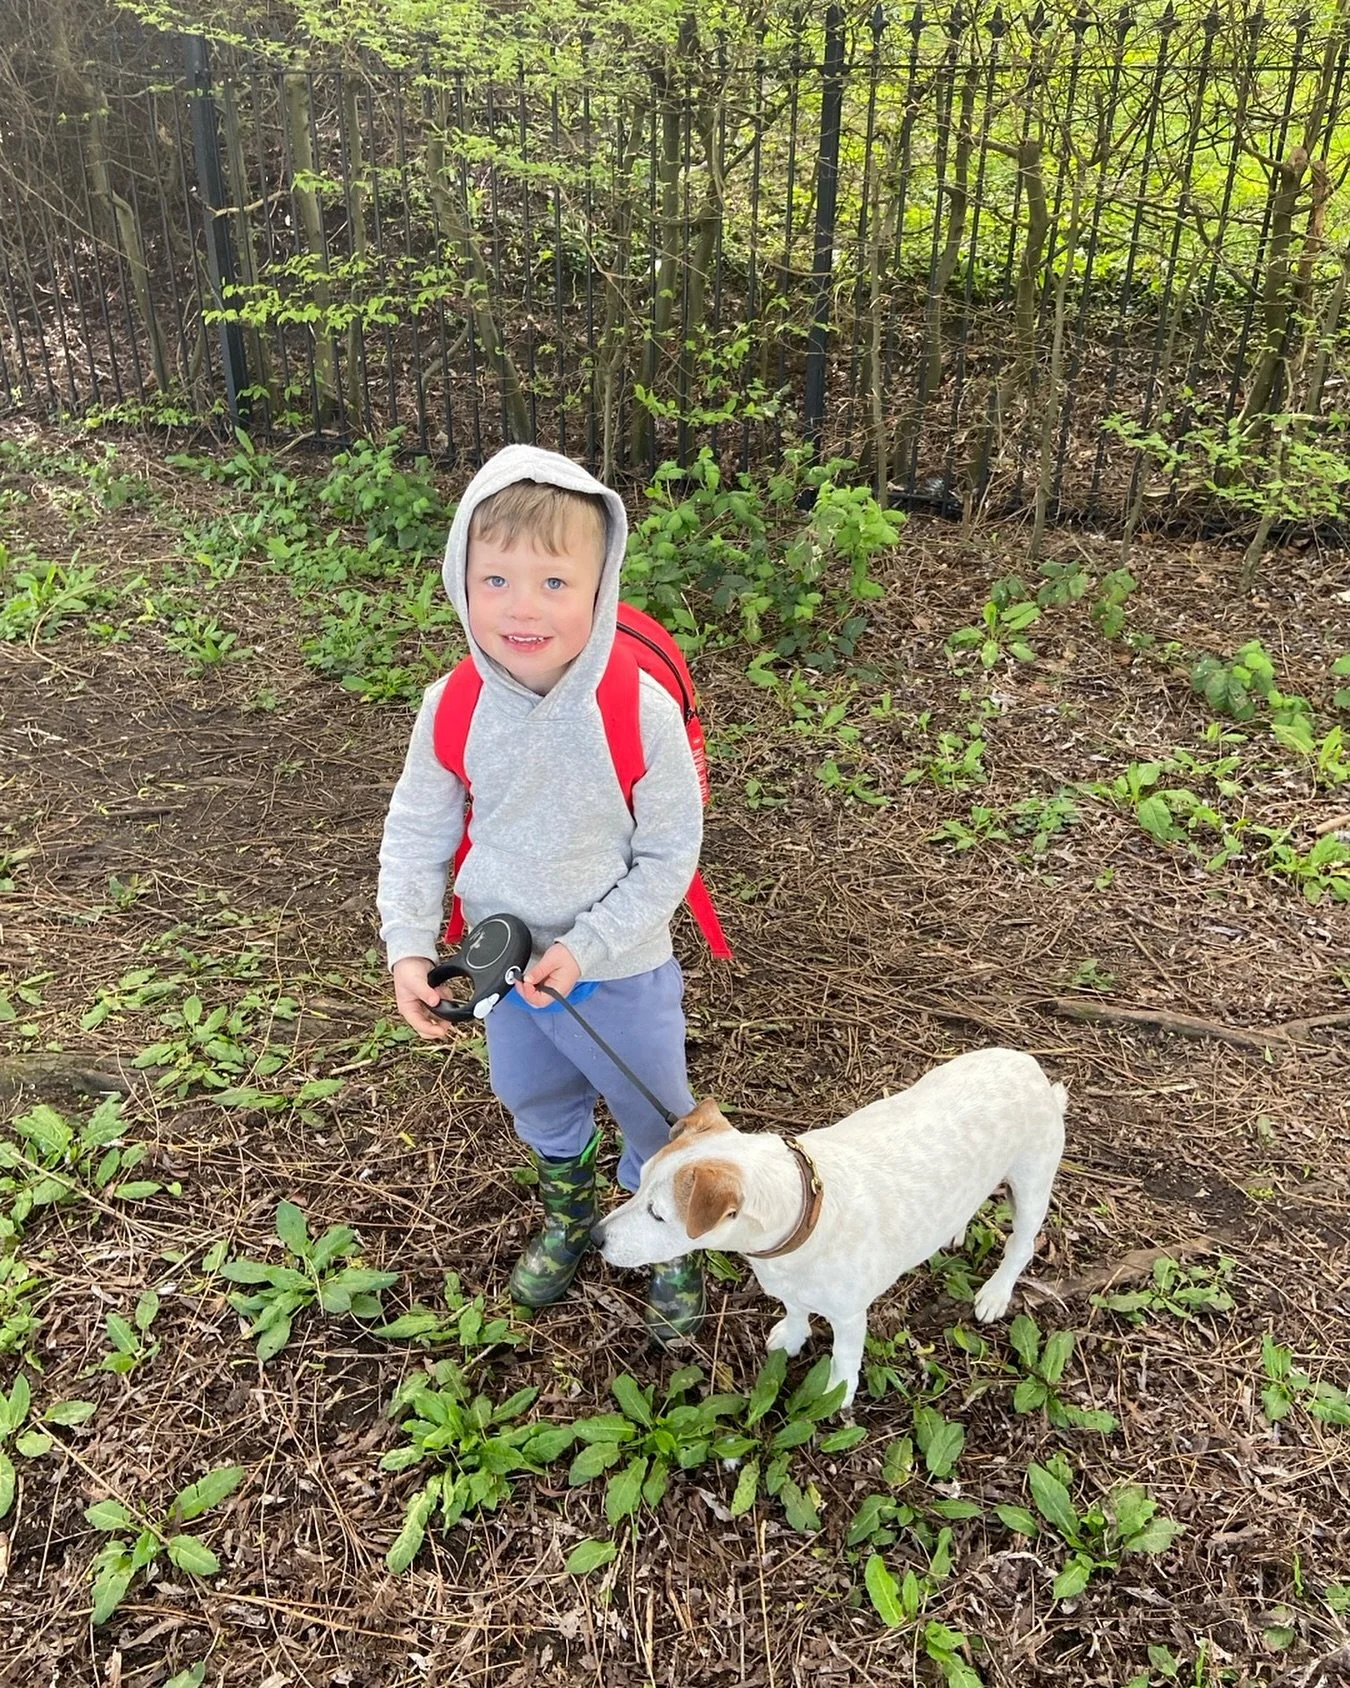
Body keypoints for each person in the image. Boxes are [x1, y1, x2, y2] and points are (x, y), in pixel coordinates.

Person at [376, 444, 705, 1343]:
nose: (522, 607)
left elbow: (671, 852)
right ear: (460, 581)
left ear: (601, 589)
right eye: (495, 579)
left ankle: (665, 1229)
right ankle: (569, 1210)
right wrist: (408, 943)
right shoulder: (450, 705)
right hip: (505, 970)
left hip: (621, 970)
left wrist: (588, 948)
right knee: (535, 1098)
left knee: (654, 1111)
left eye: (555, 583)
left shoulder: (638, 711)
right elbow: (416, 831)